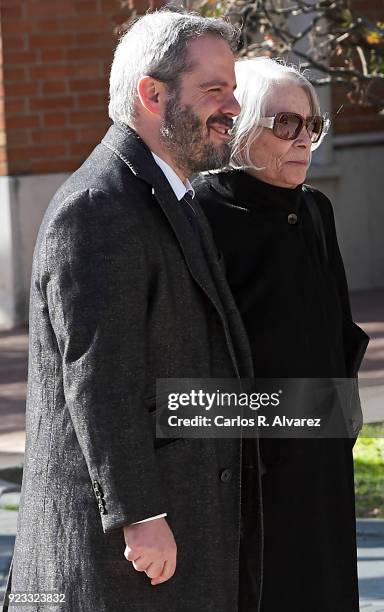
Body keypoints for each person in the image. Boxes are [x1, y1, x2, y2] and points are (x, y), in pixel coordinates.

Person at [4, 12, 264, 612]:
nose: (232, 105)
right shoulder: (98, 208)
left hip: (180, 536)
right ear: (153, 94)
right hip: (123, 561)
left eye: (232, 88)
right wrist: (140, 515)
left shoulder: (171, 195)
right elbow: (99, 379)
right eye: (214, 88)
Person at [194, 57, 369, 612]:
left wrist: (340, 420)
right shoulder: (201, 212)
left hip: (320, 456)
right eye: (285, 124)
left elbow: (337, 327)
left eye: (312, 126)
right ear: (239, 127)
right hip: (248, 463)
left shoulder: (316, 209)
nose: (304, 140)